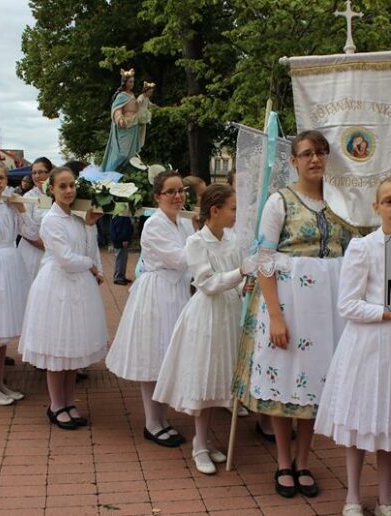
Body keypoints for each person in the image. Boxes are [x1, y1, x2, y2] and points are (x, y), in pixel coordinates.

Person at [249, 130, 352, 498]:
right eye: (307, 153)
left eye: (321, 152)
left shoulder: (341, 204)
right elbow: (264, 259)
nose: (315, 159)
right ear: (293, 160)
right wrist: (275, 315)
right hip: (289, 303)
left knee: (313, 383)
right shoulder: (280, 201)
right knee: (285, 379)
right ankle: (282, 461)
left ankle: (304, 460)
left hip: (326, 309)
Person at [153, 184, 251, 473]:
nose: (236, 214)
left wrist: (246, 284)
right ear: (215, 210)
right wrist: (240, 273)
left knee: (219, 377)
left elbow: (237, 281)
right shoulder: (196, 242)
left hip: (229, 314)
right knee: (205, 377)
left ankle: (205, 439)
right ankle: (199, 446)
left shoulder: (232, 239)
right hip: (207, 315)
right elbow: (207, 283)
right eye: (233, 208)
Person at [315, 177, 391, 516]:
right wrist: (384, 312)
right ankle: (353, 497)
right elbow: (347, 304)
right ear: (376, 207)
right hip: (368, 344)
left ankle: (385, 498)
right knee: (360, 420)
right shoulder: (364, 247)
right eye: (388, 201)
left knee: (387, 423)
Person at [106, 170, 196, 447]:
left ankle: (162, 418)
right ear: (158, 196)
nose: (177, 196)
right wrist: (205, 242)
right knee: (153, 356)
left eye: (180, 191)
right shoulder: (154, 224)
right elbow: (181, 259)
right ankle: (152, 422)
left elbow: (192, 260)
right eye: (171, 192)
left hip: (177, 293)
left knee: (167, 357)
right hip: (157, 295)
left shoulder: (184, 222)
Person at [19, 167, 107, 429]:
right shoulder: (51, 220)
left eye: (72, 185)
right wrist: (91, 265)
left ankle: (69, 401)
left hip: (78, 289)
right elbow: (67, 259)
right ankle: (56, 405)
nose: (69, 191)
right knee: (58, 350)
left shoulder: (76, 218)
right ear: (52, 190)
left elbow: (87, 249)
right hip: (57, 289)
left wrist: (90, 226)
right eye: (63, 186)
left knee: (72, 349)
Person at [0, 159, 38, 405]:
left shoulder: (10, 204)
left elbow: (31, 233)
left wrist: (21, 209)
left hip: (10, 267)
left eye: (1, 177)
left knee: (0, 333)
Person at [18, 157, 53, 282]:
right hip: (32, 249)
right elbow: (22, 227)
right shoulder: (29, 197)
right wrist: (41, 244)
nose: (37, 176)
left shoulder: (56, 195)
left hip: (54, 250)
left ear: (50, 173)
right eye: (34, 173)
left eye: (41, 172)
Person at [101, 68, 140, 172]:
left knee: (131, 154)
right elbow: (116, 109)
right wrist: (119, 119)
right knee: (123, 154)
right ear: (124, 82)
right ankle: (111, 172)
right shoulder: (121, 96)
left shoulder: (132, 95)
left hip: (133, 125)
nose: (132, 84)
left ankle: (125, 173)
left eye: (133, 82)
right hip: (124, 125)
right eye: (130, 82)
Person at [110, 216, 134, 285]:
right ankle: (118, 277)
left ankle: (121, 276)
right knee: (120, 259)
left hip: (119, 240)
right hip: (121, 240)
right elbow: (122, 227)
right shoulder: (122, 216)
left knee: (122, 259)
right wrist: (124, 239)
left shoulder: (119, 215)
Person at [137, 81, 155, 148]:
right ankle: (136, 144)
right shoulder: (141, 96)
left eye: (151, 92)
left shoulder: (147, 98)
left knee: (142, 131)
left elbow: (149, 104)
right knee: (138, 130)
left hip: (144, 116)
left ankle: (140, 145)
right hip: (140, 115)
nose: (150, 94)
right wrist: (139, 102)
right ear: (145, 91)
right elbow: (138, 101)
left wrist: (154, 106)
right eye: (149, 92)